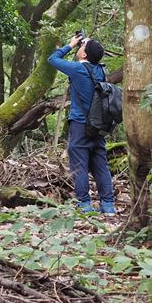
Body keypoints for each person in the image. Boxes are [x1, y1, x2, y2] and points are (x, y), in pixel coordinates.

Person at [48, 34, 117, 215]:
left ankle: (84, 205)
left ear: (84, 55)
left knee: (79, 165)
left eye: (82, 48)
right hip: (99, 125)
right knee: (100, 164)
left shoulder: (77, 70)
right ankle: (108, 205)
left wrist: (70, 44)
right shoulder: (101, 71)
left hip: (80, 124)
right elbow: (91, 60)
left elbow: (53, 59)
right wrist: (88, 45)